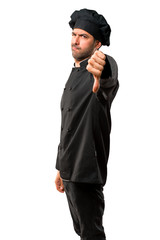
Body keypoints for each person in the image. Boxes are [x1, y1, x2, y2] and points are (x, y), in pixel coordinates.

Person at [55, 8, 119, 240]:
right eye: (75, 34)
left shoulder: (102, 65)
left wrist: (99, 76)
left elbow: (107, 77)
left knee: (92, 234)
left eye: (84, 36)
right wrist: (60, 167)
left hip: (87, 170)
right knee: (80, 231)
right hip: (70, 169)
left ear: (97, 43)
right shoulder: (73, 73)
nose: (76, 40)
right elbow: (67, 124)